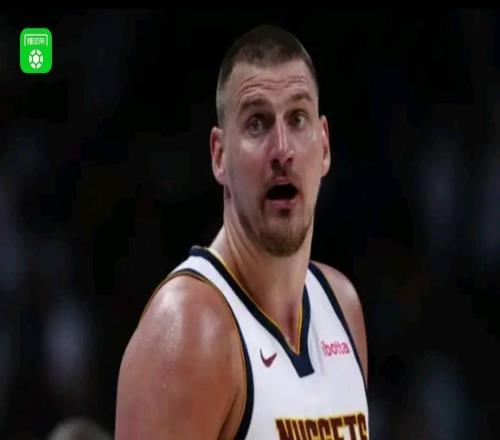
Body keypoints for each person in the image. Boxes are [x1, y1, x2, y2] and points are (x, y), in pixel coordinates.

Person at [115, 24, 369, 439]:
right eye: (257, 124)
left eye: (298, 119)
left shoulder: (341, 307)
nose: (282, 150)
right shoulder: (188, 331)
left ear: (324, 146)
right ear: (219, 156)